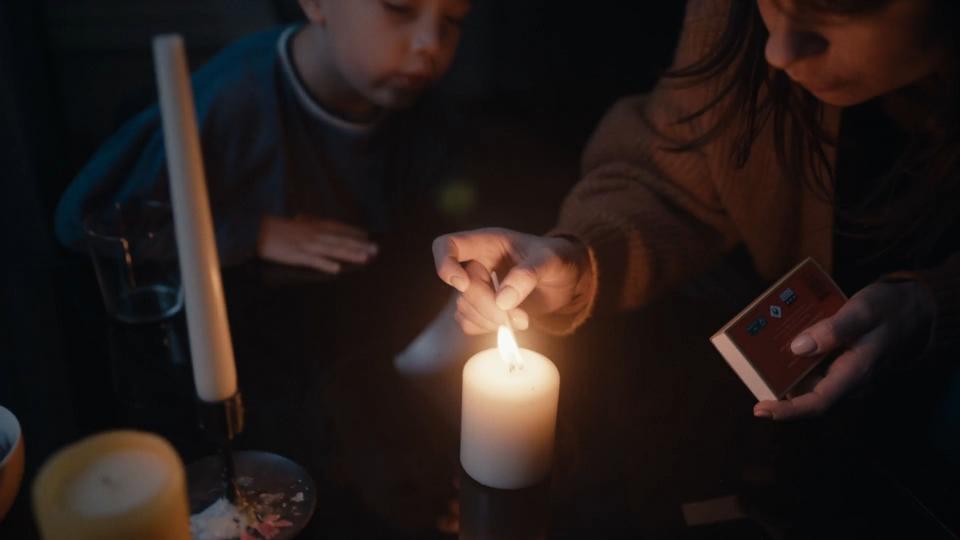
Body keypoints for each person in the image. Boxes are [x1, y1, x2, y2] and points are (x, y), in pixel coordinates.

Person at [433, 0, 960, 421]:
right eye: (772, 2)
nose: (778, 50)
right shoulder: (730, 16)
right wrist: (578, 260)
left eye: (838, 8)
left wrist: (934, 303)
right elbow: (681, 167)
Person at [55, 0, 471, 272]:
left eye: (452, 21)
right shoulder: (233, 99)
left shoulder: (426, 108)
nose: (430, 44)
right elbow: (83, 220)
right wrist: (253, 232)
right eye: (399, 8)